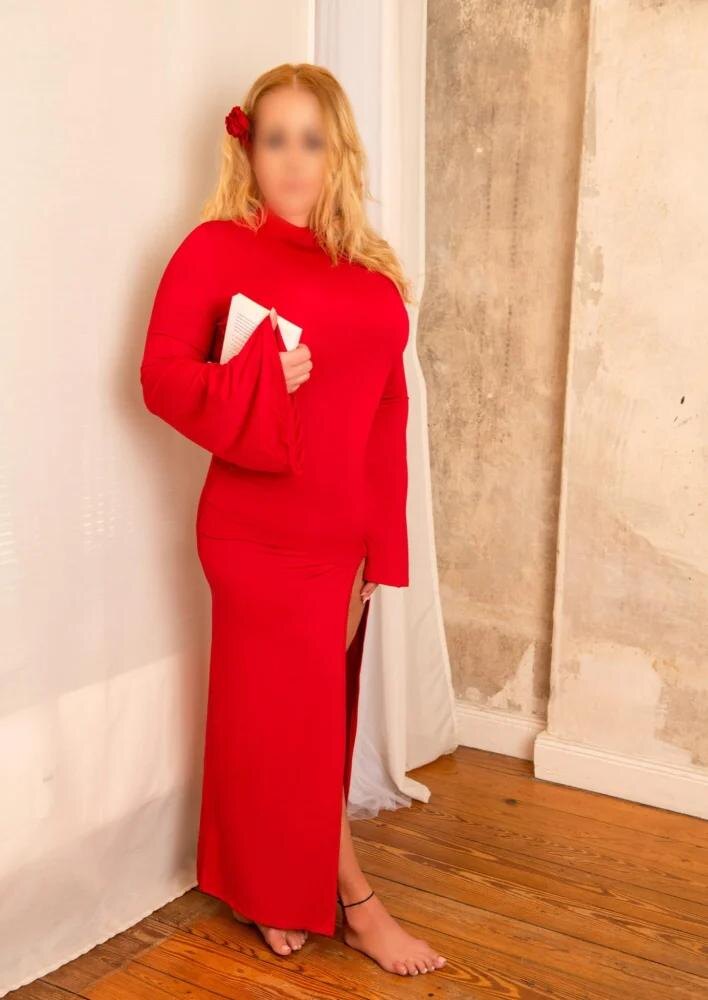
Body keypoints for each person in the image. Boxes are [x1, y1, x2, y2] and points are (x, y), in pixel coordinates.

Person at [139, 62, 446, 978]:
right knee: (293, 722)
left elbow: (386, 419)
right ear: (250, 149)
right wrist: (260, 379)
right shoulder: (213, 249)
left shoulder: (371, 273)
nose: (292, 160)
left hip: (338, 537)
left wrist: (381, 549)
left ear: (337, 150)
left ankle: (271, 883)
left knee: (296, 724)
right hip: (253, 535)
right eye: (275, 139)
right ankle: (355, 901)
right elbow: (160, 378)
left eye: (311, 140)